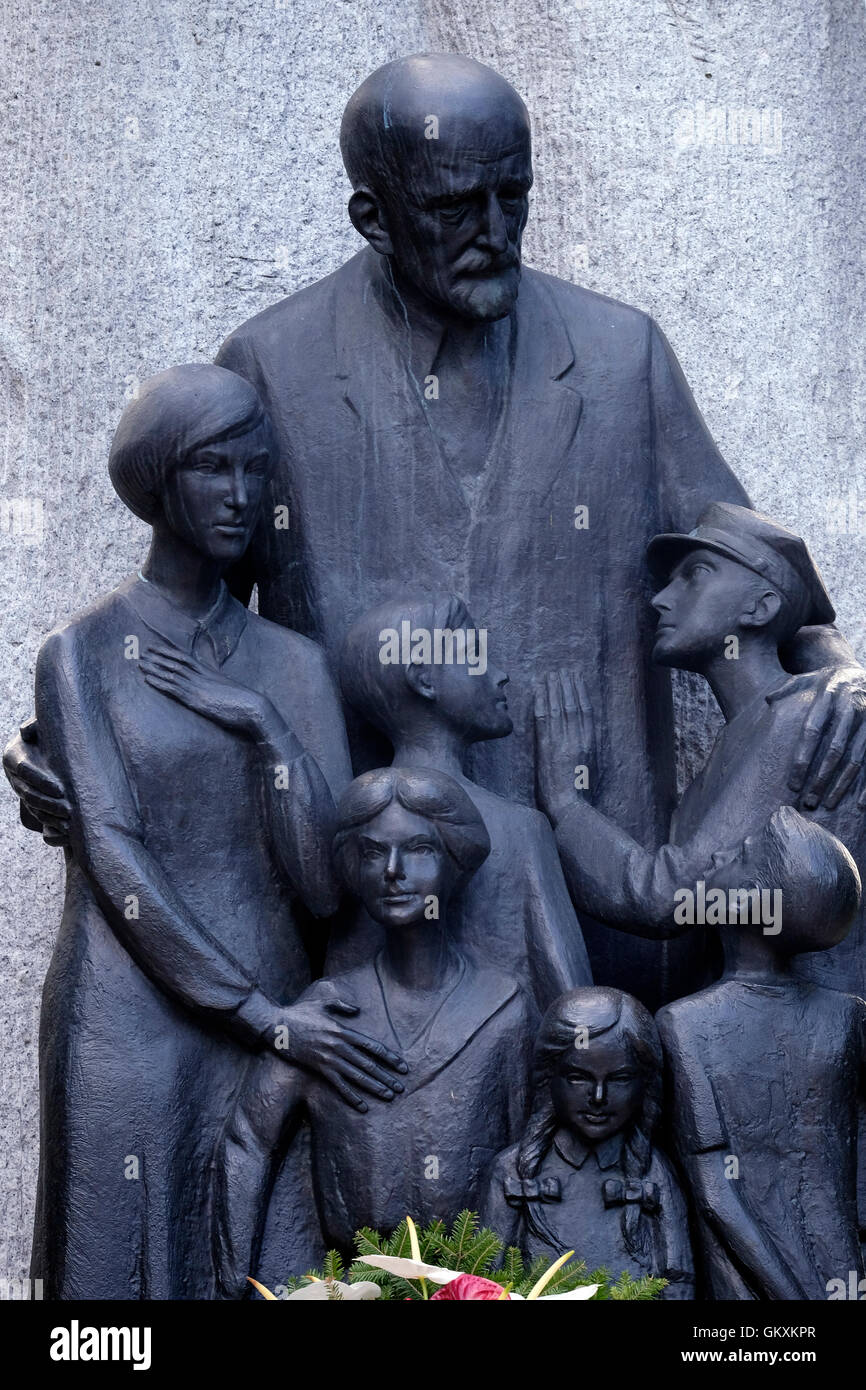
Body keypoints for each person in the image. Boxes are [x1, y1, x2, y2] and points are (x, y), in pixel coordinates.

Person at [7, 55, 866, 1009]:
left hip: (609, 926)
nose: (495, 233)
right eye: (456, 208)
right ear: (373, 216)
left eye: (515, 195)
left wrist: (841, 676)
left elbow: (759, 582)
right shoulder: (274, 365)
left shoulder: (624, 357)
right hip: (384, 938)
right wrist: (69, 739)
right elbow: (191, 610)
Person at [30, 365, 406, 1299]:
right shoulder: (81, 654)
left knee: (266, 1265)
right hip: (130, 1018)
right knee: (119, 1283)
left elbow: (322, 888)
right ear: (160, 482)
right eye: (212, 471)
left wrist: (263, 727)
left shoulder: (294, 666)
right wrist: (260, 1017)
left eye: (255, 471)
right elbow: (113, 852)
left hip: (273, 1021)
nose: (241, 497)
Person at [212, 767, 537, 1291]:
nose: (392, 871)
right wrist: (233, 1284)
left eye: (418, 850)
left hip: (478, 1284)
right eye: (371, 853)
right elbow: (248, 1140)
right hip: (353, 1281)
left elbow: (530, 1161)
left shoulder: (506, 1008)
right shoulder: (328, 1012)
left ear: (455, 861)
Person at [534, 502, 866, 999]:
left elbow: (665, 898)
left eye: (695, 575)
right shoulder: (740, 744)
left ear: (760, 608)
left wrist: (565, 803)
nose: (661, 601)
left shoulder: (800, 715)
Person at [328, 591, 591, 1007]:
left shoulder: (360, 826)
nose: (500, 674)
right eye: (475, 654)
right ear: (424, 680)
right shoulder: (522, 829)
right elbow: (572, 1000)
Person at [657, 808, 865, 1300]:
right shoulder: (850, 1016)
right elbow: (714, 1193)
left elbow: (715, 1193)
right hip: (781, 1280)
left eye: (742, 856)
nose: (721, 855)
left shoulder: (686, 1025)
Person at [481, 987, 694, 1298]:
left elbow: (678, 1280)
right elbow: (484, 1282)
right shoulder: (514, 1172)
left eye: (620, 1079)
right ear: (549, 1078)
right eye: (578, 1077)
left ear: (644, 1085)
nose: (598, 1097)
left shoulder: (653, 1173)